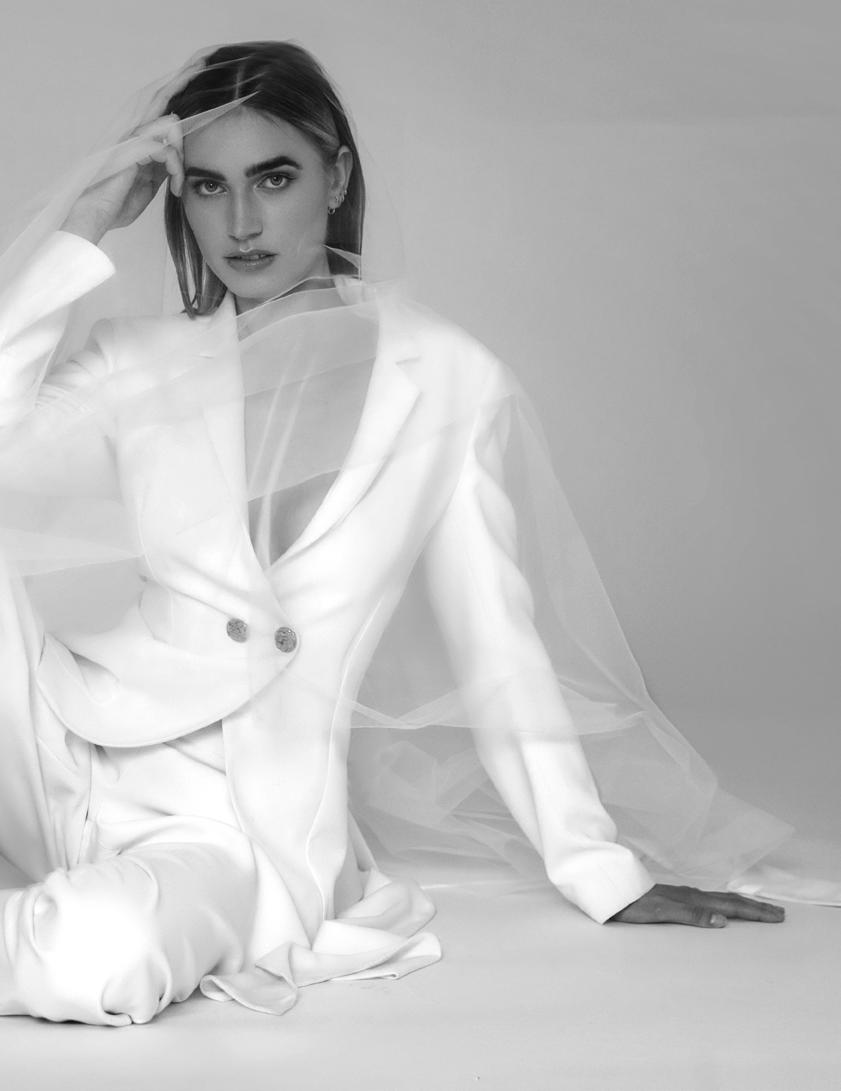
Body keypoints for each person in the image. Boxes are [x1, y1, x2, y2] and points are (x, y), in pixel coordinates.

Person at [0, 41, 808, 1027]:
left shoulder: (446, 378)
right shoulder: (137, 359)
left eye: (275, 177)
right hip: (54, 749)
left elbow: (497, 642)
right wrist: (84, 223)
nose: (241, 221)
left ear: (336, 176)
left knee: (96, 959)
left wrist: (598, 867)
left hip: (228, 826)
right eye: (209, 186)